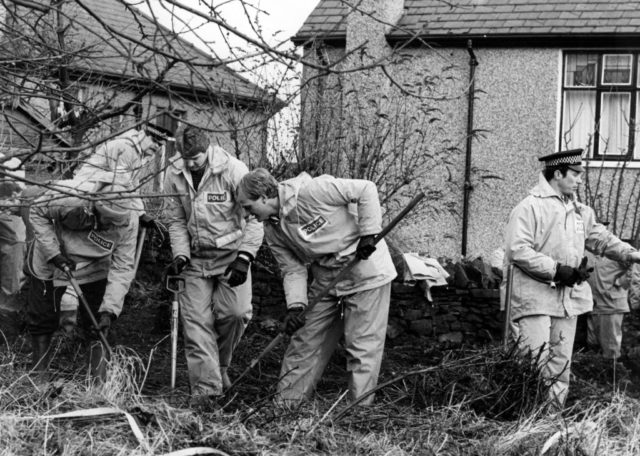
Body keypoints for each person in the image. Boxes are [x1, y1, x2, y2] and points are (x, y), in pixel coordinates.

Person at [236, 168, 397, 406]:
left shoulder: (312, 191)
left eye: (249, 207)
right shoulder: (272, 229)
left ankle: (359, 412)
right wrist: (296, 306)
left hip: (365, 269)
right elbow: (293, 269)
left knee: (361, 346)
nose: (248, 215)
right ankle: (285, 408)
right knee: (304, 340)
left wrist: (368, 233)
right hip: (325, 276)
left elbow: (366, 189)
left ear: (265, 196)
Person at [502, 148, 640, 407]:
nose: (579, 180)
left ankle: (550, 419)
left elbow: (601, 238)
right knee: (533, 361)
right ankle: (526, 418)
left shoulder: (580, 212)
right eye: (575, 174)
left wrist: (632, 255)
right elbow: (517, 250)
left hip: (567, 299)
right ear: (557, 174)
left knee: (560, 363)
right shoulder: (529, 207)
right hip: (534, 298)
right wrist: (557, 270)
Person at [163, 126, 263, 407]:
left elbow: (255, 220)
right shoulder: (173, 173)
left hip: (232, 256)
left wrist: (245, 258)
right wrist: (180, 255)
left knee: (236, 313)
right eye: (185, 157)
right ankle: (207, 394)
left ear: (208, 149)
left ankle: (220, 366)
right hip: (195, 259)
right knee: (196, 324)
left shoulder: (234, 170)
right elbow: (176, 221)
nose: (190, 163)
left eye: (195, 157)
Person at [26, 181, 138, 382]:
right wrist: (53, 253)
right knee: (42, 317)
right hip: (54, 258)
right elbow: (36, 210)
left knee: (97, 321)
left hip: (96, 265)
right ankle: (39, 378)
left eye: (116, 223)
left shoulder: (130, 222)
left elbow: (122, 268)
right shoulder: (69, 199)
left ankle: (98, 384)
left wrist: (109, 311)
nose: (112, 226)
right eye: (108, 221)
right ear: (94, 208)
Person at [585, 247, 637, 360]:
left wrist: (619, 282)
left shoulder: (619, 248)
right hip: (592, 305)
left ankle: (613, 374)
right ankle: (599, 375)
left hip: (612, 306)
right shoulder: (586, 251)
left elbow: (634, 271)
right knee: (592, 345)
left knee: (610, 348)